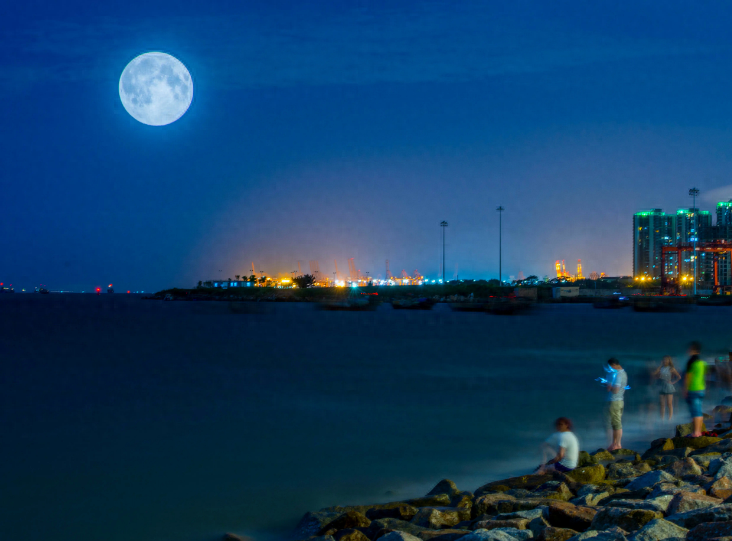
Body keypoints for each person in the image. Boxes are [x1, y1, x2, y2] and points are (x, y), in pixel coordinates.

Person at [605, 358, 627, 451]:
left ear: (614, 365)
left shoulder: (618, 375)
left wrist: (610, 387)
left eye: (610, 367)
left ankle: (617, 444)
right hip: (620, 400)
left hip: (615, 401)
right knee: (616, 423)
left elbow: (616, 390)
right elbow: (623, 389)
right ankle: (615, 443)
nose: (610, 369)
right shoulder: (624, 374)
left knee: (616, 424)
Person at [684, 341, 706, 437]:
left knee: (695, 411)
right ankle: (698, 431)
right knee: (699, 410)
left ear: (693, 350)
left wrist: (685, 389)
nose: (688, 350)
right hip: (701, 388)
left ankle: (696, 433)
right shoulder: (701, 362)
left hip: (693, 389)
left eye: (689, 349)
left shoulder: (691, 362)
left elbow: (688, 377)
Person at [652, 356, 681, 421]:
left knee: (669, 403)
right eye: (664, 360)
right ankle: (662, 418)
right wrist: (660, 366)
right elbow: (654, 373)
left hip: (668, 385)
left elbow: (679, 376)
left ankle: (670, 418)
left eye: (666, 360)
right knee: (662, 404)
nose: (665, 361)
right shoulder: (661, 368)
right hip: (662, 385)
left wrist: (673, 382)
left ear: (669, 361)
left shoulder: (671, 368)